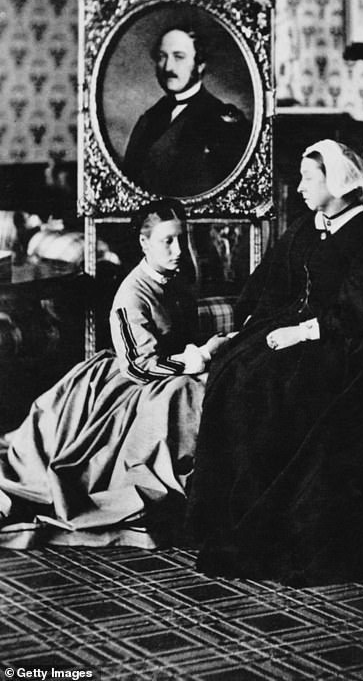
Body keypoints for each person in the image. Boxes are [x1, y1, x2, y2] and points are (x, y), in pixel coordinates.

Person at [188, 140, 363, 586]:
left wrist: (299, 333)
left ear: (339, 183)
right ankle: (219, 515)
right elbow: (272, 282)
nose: (301, 188)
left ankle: (260, 519)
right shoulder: (308, 225)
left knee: (269, 386)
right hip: (286, 331)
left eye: (310, 179)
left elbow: (360, 313)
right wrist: (246, 328)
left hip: (336, 346)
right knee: (232, 370)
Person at [0, 198, 228, 547]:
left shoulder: (176, 283)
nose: (178, 249)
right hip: (133, 378)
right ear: (144, 243)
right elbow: (139, 366)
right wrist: (198, 358)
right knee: (183, 396)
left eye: (182, 239)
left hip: (166, 370)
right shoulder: (132, 294)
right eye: (168, 240)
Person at [123, 27, 251, 197]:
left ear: (200, 65)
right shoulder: (150, 118)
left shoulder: (222, 122)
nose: (168, 67)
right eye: (162, 57)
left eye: (179, 57)